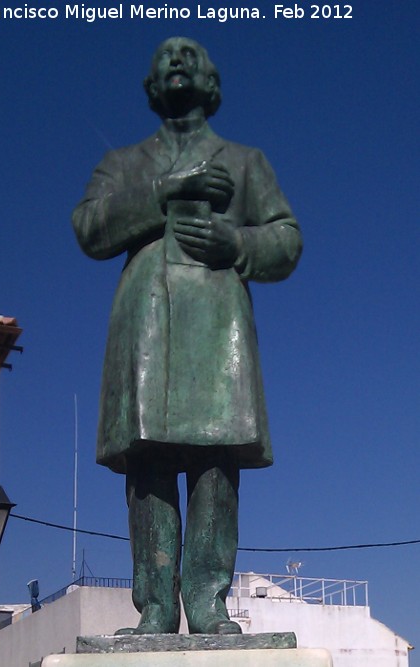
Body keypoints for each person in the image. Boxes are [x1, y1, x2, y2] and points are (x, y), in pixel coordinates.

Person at [72, 37, 302, 635]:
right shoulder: (123, 164)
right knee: (147, 463)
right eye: (165, 55)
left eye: (190, 54)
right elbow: (90, 228)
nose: (177, 60)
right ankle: (153, 605)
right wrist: (162, 192)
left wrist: (239, 244)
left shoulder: (246, 161)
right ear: (151, 85)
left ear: (212, 81)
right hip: (145, 321)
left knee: (215, 463)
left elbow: (286, 238)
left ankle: (207, 600)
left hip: (217, 319)